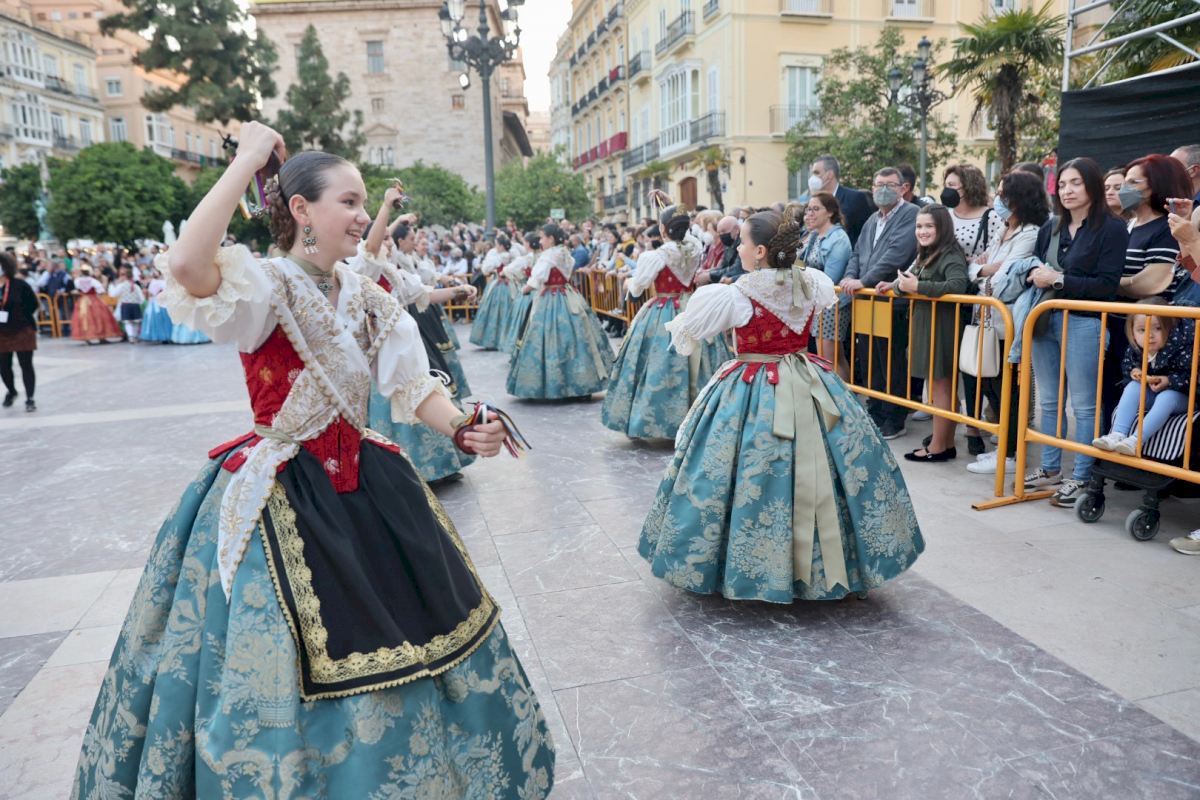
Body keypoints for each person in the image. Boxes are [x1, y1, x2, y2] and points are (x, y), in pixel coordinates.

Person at [71, 123, 555, 798]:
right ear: (301, 210)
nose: (362, 216)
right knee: (284, 653)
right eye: (349, 202)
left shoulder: (365, 294)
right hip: (282, 490)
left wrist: (461, 427)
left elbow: (412, 385)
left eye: (364, 204)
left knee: (411, 624)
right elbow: (185, 267)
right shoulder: (263, 286)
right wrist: (247, 158)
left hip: (368, 484)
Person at [638, 205, 923, 602]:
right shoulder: (811, 281)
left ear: (760, 252)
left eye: (743, 242)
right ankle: (827, 564)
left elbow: (689, 332)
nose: (738, 248)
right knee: (831, 463)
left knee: (741, 471)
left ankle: (753, 565)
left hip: (754, 384)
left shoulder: (737, 294)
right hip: (809, 379)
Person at [1023, 157, 1128, 509]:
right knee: (1049, 400)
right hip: (1044, 318)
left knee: (1084, 405)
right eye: (1063, 184)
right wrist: (1036, 275)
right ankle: (1050, 467)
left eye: (1076, 183)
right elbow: (1035, 267)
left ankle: (1083, 475)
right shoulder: (1050, 227)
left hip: (1085, 320)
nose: (1067, 191)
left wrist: (1059, 279)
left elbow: (1107, 285)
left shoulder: (1112, 228)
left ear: (1092, 186)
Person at [601, 199, 733, 440]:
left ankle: (657, 420)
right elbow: (688, 235)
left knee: (657, 360)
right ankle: (701, 418)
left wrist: (629, 284)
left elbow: (637, 289)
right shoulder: (695, 247)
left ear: (662, 229)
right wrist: (673, 209)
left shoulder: (656, 256)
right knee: (700, 358)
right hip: (692, 306)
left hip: (664, 309)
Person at [963, 170, 1051, 475]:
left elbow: (1002, 282)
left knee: (1008, 389)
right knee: (991, 384)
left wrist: (983, 271)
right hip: (989, 318)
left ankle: (1011, 453)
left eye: (1002, 194)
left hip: (1008, 321)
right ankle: (1003, 445)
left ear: (1019, 199)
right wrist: (983, 270)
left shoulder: (1030, 233)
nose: (996, 199)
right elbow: (976, 269)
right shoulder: (1003, 229)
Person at [883, 205, 970, 462]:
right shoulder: (926, 254)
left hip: (942, 326)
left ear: (942, 227)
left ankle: (938, 447)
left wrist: (917, 286)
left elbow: (957, 285)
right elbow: (904, 282)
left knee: (942, 387)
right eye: (919, 226)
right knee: (940, 386)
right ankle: (944, 443)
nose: (922, 231)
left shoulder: (950, 254)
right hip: (927, 324)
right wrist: (901, 286)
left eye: (929, 226)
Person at [840, 167, 921, 439]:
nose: (882, 190)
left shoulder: (910, 214)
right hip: (867, 301)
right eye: (878, 184)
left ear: (903, 188)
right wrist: (850, 277)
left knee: (891, 361)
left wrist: (864, 281)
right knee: (869, 359)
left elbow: (896, 255)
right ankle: (875, 411)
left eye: (889, 184)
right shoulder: (873, 219)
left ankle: (894, 417)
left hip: (891, 301)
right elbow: (857, 253)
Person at [507, 222, 614, 400]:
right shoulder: (565, 253)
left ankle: (555, 386)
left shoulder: (548, 255)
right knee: (578, 338)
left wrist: (526, 288)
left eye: (542, 237)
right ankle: (581, 384)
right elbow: (567, 270)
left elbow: (537, 278)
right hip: (568, 295)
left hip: (551, 297)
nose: (540, 241)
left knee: (550, 338)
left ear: (551, 239)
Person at [1092, 298, 1194, 455]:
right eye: (1141, 330)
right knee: (1133, 386)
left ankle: (1136, 440)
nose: (1150, 335)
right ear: (1132, 332)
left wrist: (1169, 381)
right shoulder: (1136, 348)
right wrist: (1134, 371)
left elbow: (1193, 376)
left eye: (1158, 328)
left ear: (1170, 328)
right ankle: (1117, 434)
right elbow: (1127, 365)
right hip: (1153, 394)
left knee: (1167, 396)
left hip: (1185, 397)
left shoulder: (1183, 347)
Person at [800, 191, 853, 380]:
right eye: (808, 209)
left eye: (815, 209)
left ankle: (838, 395)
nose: (809, 214)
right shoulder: (813, 236)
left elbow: (830, 278)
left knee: (829, 359)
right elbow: (799, 265)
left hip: (832, 304)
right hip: (817, 302)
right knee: (833, 357)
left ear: (830, 212)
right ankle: (844, 394)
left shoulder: (838, 238)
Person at [808, 154, 874, 246]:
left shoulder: (855, 198)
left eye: (816, 173)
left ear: (829, 175)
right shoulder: (813, 201)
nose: (813, 178)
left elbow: (867, 234)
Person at [0, 252, 38, 412]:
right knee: (4, 366)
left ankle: (30, 398)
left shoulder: (19, 285)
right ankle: (11, 390)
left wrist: (21, 316)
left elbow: (33, 304)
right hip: (2, 332)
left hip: (22, 329)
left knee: (26, 364)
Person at [469, 233, 516, 350]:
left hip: (500, 284)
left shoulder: (499, 257)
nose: (496, 247)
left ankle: (494, 339)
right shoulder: (512, 254)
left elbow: (485, 270)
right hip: (510, 284)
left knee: (494, 311)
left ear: (501, 246)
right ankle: (506, 339)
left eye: (497, 245)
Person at [500, 233, 539, 354]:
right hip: (541, 292)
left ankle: (522, 351)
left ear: (528, 244)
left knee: (523, 321)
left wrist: (517, 278)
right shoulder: (543, 256)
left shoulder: (525, 259)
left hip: (527, 292)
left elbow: (506, 270)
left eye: (524, 242)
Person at [69, 267, 123, 344]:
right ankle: (102, 337)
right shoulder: (93, 280)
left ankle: (87, 338)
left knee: (84, 318)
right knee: (99, 317)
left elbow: (78, 289)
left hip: (83, 300)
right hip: (93, 299)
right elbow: (101, 290)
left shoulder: (77, 280)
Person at [108, 266, 145, 342]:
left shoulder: (121, 285)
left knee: (128, 322)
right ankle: (135, 336)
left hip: (125, 305)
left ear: (125, 276)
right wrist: (138, 302)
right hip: (135, 305)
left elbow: (113, 294)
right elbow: (142, 298)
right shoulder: (136, 286)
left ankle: (131, 336)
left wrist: (112, 286)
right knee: (136, 322)